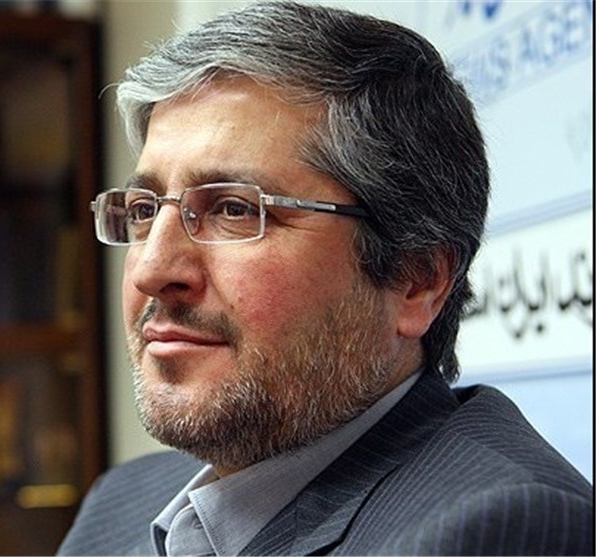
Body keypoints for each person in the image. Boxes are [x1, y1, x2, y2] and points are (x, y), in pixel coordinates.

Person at [59, 2, 593, 555]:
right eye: (145, 210)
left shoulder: (501, 528)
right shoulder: (119, 501)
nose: (152, 270)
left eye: (236, 210)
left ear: (415, 280)